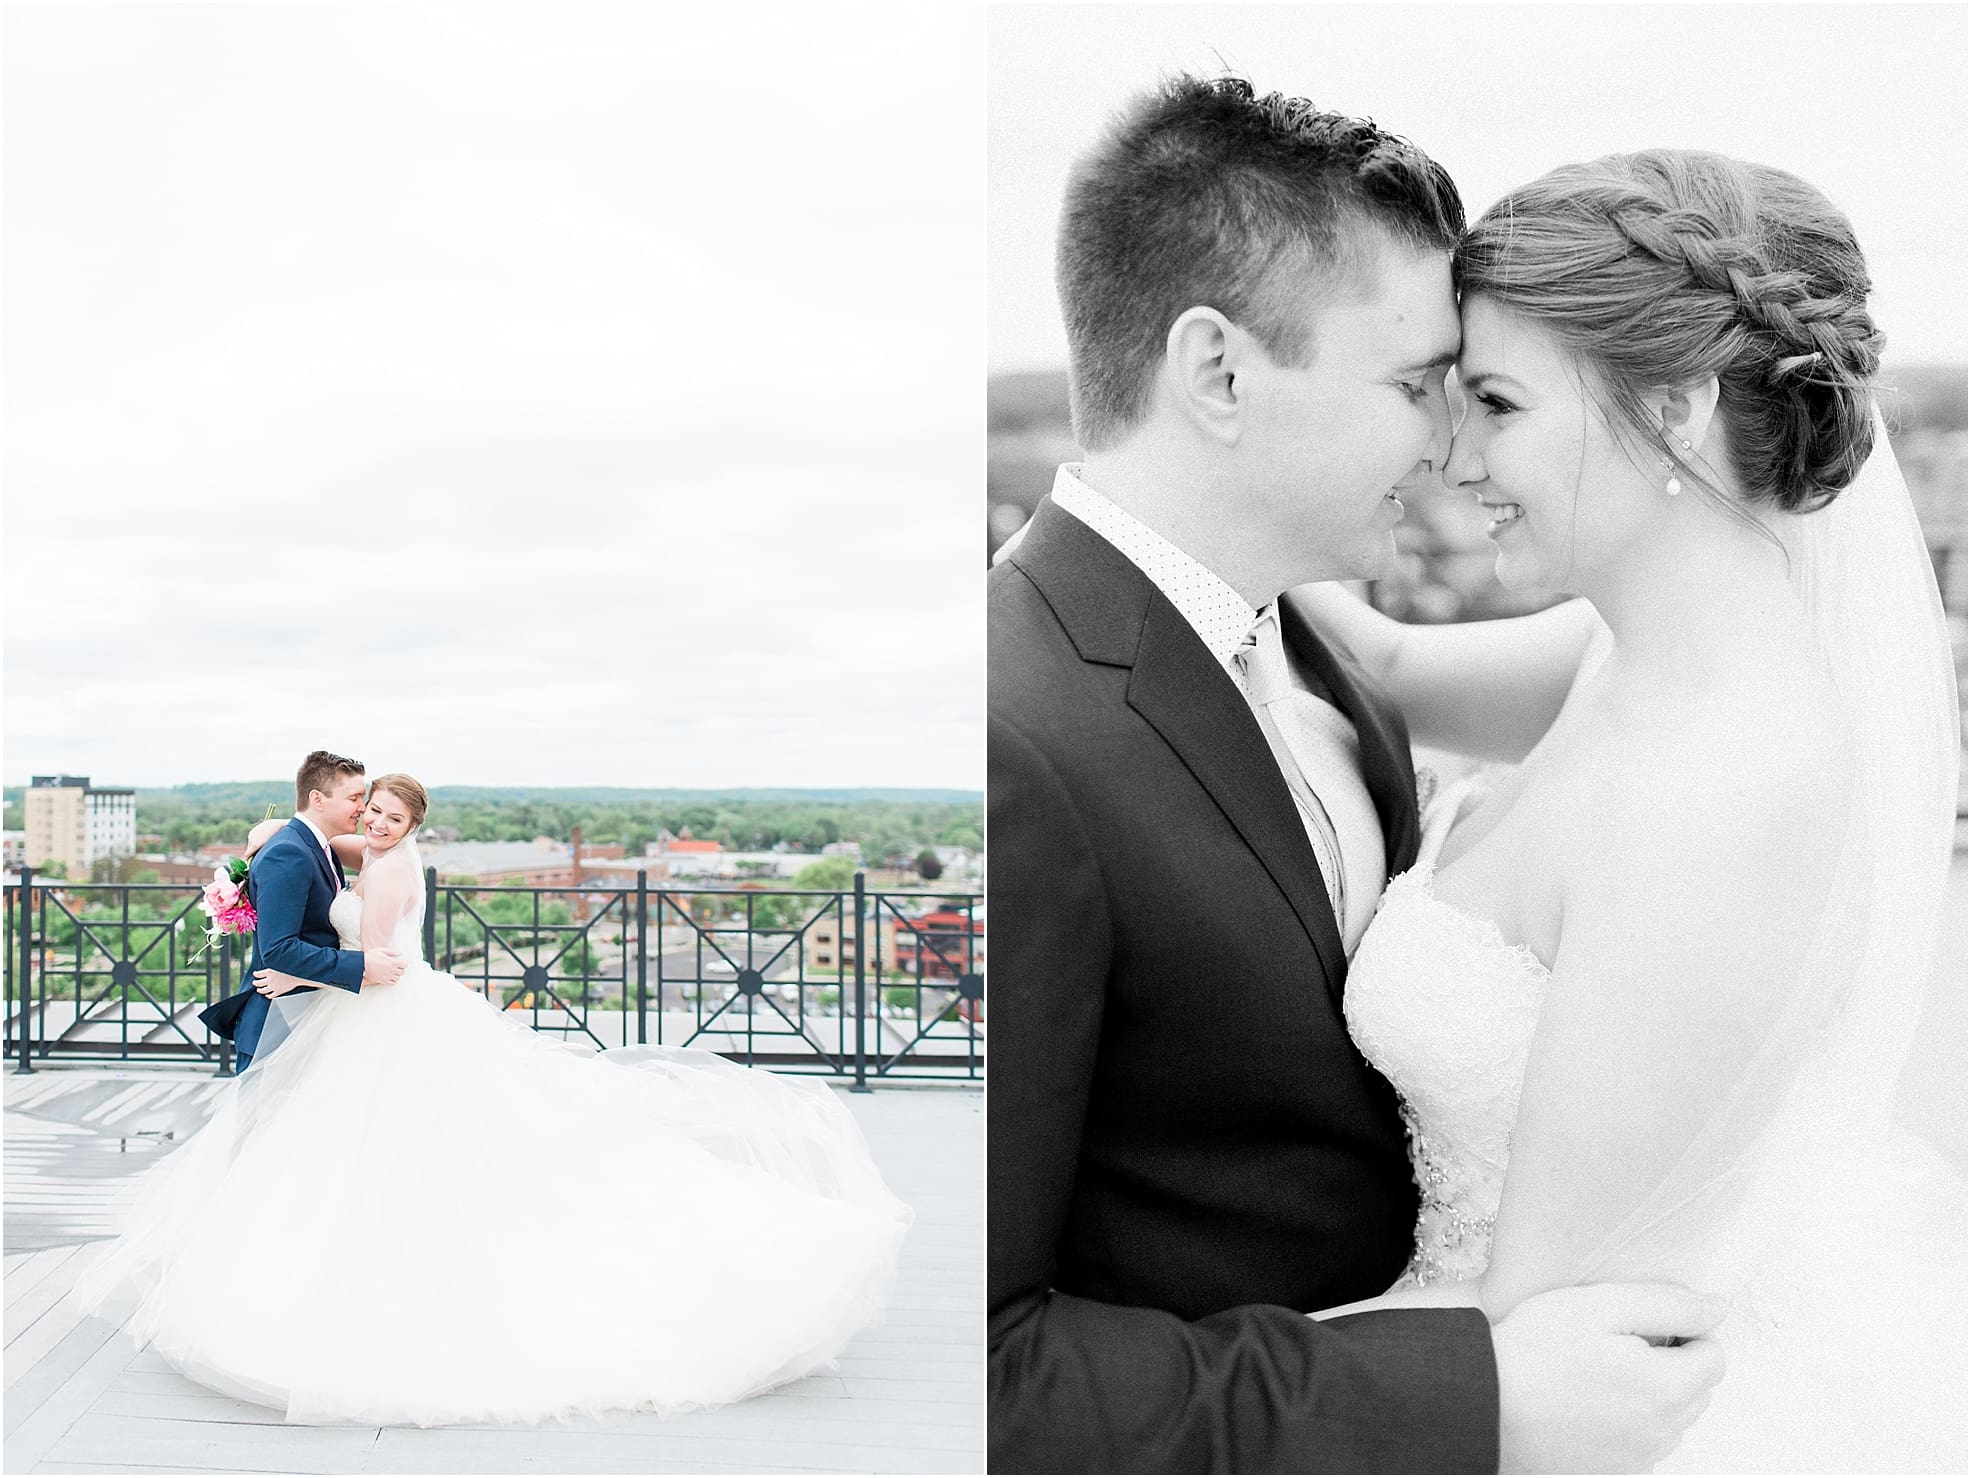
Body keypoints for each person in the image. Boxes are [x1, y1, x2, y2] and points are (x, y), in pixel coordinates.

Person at [988, 76, 1725, 1474]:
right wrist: (1468, 1400)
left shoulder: (1318, 647)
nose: (1448, 442)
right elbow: (986, 1378)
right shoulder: (1009, 740)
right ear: (1218, 374)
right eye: (1412, 385)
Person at [1296, 149, 1964, 1471]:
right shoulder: (1629, 654)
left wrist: (1117, 1392)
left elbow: (1537, 1315)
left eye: (1496, 403)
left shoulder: (1726, 786)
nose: (1452, 455)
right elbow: (1387, 663)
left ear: (1671, 407)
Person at [79, 772, 910, 1426]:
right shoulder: (364, 851)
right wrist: (267, 858)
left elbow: (379, 962)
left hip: (380, 1011)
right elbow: (328, 872)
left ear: (413, 826)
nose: (376, 823)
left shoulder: (389, 871)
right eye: (371, 810)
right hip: (371, 1013)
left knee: (381, 1150)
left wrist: (298, 973)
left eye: (391, 817)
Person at [197, 750, 405, 1070]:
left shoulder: (320, 846)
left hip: (310, 1016)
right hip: (278, 1022)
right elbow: (279, 949)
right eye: (354, 798)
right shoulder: (289, 853)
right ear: (318, 799)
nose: (362, 808)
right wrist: (363, 964)